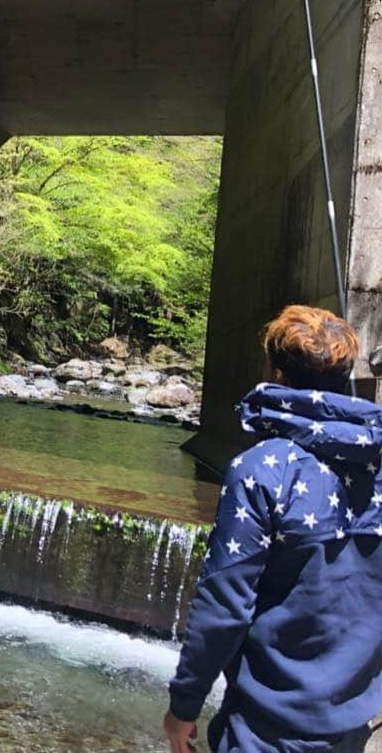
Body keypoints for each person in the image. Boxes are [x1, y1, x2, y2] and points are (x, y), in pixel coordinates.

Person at [164, 304, 382, 752]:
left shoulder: (262, 469)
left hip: (263, 731)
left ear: (277, 377)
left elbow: (224, 607)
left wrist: (183, 707)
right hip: (351, 725)